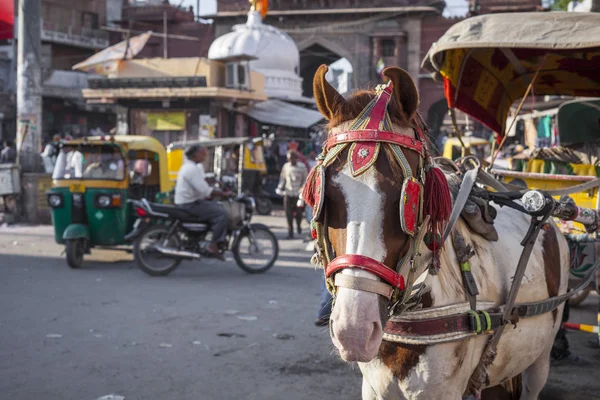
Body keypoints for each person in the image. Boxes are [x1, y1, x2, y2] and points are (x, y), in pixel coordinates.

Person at [175, 145, 232, 258]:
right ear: (195, 155)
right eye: (202, 154)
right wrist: (223, 194)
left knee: (213, 206)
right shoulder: (191, 168)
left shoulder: (190, 167)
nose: (204, 157)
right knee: (221, 214)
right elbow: (204, 190)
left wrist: (214, 182)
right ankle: (213, 245)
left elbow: (201, 181)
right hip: (189, 204)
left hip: (188, 202)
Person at [276, 150, 308, 239]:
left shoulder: (302, 167)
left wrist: (302, 189)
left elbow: (305, 180)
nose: (290, 160)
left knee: (299, 213)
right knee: (288, 214)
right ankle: (290, 232)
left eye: (292, 158)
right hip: (288, 193)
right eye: (289, 159)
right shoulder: (286, 167)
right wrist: (279, 188)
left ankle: (298, 224)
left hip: (298, 194)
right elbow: (282, 178)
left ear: (295, 158)